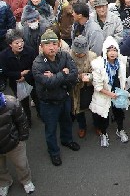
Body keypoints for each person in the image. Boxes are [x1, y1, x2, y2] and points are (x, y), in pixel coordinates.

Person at [31, 29, 80, 166]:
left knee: (67, 122)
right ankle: (54, 152)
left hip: (64, 98)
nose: (52, 47)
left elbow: (74, 74)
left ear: (58, 44)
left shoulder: (64, 55)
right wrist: (63, 74)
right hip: (48, 102)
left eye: (54, 43)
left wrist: (55, 76)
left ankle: (67, 140)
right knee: (50, 129)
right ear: (41, 47)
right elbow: (48, 83)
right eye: (48, 44)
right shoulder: (38, 63)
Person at [89, 36, 129, 147]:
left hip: (117, 92)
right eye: (109, 50)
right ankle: (104, 134)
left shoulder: (120, 64)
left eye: (115, 50)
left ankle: (120, 130)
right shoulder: (98, 65)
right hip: (104, 94)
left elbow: (122, 79)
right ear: (105, 51)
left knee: (119, 113)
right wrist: (110, 94)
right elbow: (97, 86)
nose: (112, 53)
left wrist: (123, 90)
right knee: (104, 116)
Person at [0, 29, 38, 129]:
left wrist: (25, 76)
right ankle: (28, 120)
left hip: (31, 80)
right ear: (10, 44)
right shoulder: (3, 56)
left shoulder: (30, 51)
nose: (20, 44)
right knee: (24, 103)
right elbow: (5, 72)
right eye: (17, 43)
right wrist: (19, 74)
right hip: (16, 83)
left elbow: (36, 67)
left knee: (37, 98)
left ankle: (40, 114)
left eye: (21, 41)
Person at [0, 91, 35, 195]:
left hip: (14, 143)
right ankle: (4, 182)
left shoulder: (11, 103)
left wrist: (22, 139)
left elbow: (22, 121)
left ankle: (26, 181)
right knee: (0, 168)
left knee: (21, 164)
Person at [70, 36, 97, 139]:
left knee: (94, 107)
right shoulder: (68, 56)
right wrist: (78, 77)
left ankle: (97, 125)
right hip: (76, 87)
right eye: (77, 52)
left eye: (82, 53)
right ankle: (82, 127)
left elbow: (97, 73)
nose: (79, 54)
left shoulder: (92, 56)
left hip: (90, 87)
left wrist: (88, 76)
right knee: (78, 109)